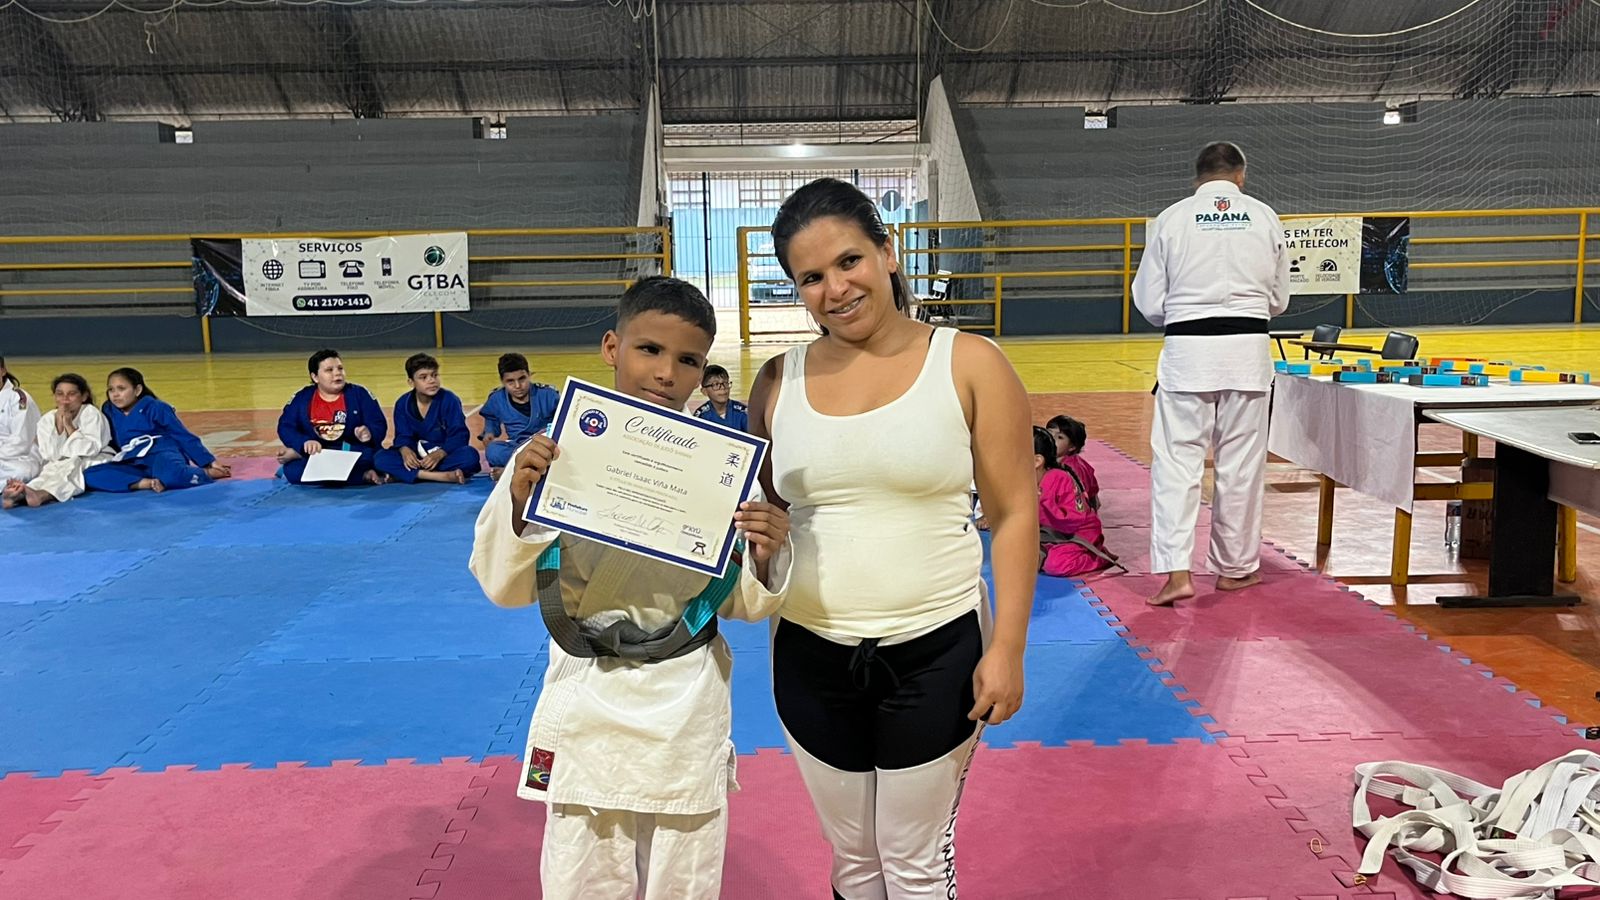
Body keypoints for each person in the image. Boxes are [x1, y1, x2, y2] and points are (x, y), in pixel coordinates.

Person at [751, 177, 1036, 899]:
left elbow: (1014, 514)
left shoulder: (970, 363)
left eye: (849, 261)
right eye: (811, 278)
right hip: (809, 652)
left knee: (914, 862)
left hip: (937, 649)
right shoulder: (777, 381)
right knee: (853, 861)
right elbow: (766, 520)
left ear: (887, 251)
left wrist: (1008, 648)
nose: (835, 289)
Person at [468, 276, 794, 900]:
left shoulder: (723, 468)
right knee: (580, 884)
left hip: (684, 699)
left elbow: (744, 604)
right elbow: (503, 587)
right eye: (649, 349)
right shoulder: (550, 455)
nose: (667, 373)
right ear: (612, 347)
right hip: (587, 693)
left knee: (684, 886)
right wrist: (519, 508)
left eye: (688, 360)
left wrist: (765, 550)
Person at [1132, 141, 1290, 606]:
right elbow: (1279, 300)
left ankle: (1176, 573)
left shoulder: (1172, 219)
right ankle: (1236, 569)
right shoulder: (1264, 217)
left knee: (1176, 465)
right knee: (1241, 466)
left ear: (1197, 177)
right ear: (1241, 175)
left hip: (1188, 353)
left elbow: (1149, 302)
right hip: (1247, 353)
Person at [82, 368, 231, 494]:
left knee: (172, 476)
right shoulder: (109, 409)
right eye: (111, 389)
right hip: (132, 460)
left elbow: (181, 435)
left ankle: (205, 474)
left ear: (137, 390)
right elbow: (110, 439)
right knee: (89, 475)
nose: (115, 394)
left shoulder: (156, 407)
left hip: (162, 454)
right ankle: (143, 483)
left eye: (121, 389)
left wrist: (209, 462)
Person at [276, 349, 387, 486]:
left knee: (379, 459)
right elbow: (286, 427)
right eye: (329, 370)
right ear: (315, 377)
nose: (337, 373)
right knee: (293, 471)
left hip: (353, 452)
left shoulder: (359, 394)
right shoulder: (302, 398)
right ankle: (362, 476)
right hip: (318, 453)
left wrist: (369, 433)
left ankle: (305, 458)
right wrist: (303, 442)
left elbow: (378, 423)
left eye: (340, 368)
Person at [4, 374, 113, 509]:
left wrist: (68, 425)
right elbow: (50, 455)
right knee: (49, 471)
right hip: (60, 462)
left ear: (84, 396)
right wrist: (59, 427)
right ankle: (19, 493)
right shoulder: (47, 419)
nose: (65, 399)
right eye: (60, 394)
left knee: (72, 469)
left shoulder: (91, 413)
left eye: (71, 394)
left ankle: (43, 495)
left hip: (95, 458)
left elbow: (90, 449)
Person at [373, 353, 481, 485]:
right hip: (417, 457)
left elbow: (459, 435)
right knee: (380, 458)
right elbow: (402, 436)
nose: (431, 381)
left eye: (434, 375)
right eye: (423, 377)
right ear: (411, 382)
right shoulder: (403, 403)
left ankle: (408, 475)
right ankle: (440, 476)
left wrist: (440, 453)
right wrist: (405, 450)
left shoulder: (450, 399)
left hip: (443, 455)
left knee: (470, 456)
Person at [1033, 426, 1118, 578]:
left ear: (1037, 461)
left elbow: (1073, 520)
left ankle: (1097, 557)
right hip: (1048, 535)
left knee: (1055, 565)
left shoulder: (1060, 478)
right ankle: (1044, 553)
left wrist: (1042, 500)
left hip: (1077, 533)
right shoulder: (1023, 481)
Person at [479, 352, 559, 479]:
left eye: (522, 379)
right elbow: (491, 417)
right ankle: (531, 468)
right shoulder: (497, 399)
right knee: (493, 451)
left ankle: (509, 471)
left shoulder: (549, 395)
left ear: (529, 375)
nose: (517, 386)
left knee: (558, 452)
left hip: (544, 446)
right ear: (502, 381)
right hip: (517, 447)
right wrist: (490, 432)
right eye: (510, 381)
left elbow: (564, 420)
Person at [0, 356, 43, 486]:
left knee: (21, 472)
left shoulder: (18, 398)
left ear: (3, 371)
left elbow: (21, 441)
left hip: (19, 457)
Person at [1045, 414, 1099, 509]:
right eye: (1049, 433)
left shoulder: (1069, 470)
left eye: (1060, 437)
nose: (1051, 439)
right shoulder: (1073, 461)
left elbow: (1082, 501)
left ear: (1072, 447)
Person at [692, 364, 749, 432]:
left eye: (725, 383)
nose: (722, 388)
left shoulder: (743, 412)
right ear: (704, 391)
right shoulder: (701, 416)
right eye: (716, 384)